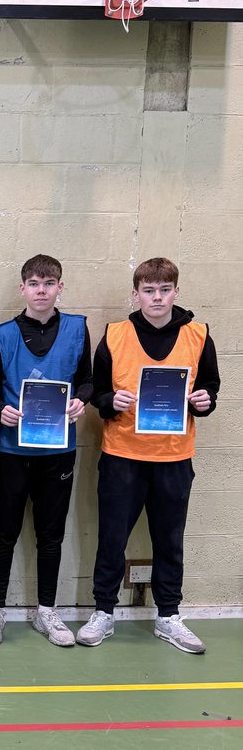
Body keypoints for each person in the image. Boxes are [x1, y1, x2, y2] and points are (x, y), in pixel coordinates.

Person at [77, 257, 219, 654]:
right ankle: (103, 611)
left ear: (176, 292)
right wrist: (111, 400)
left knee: (170, 540)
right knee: (112, 538)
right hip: (122, 455)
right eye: (149, 290)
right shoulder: (116, 334)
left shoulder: (198, 335)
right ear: (136, 294)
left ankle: (168, 616)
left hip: (174, 458)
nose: (157, 298)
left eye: (164, 290)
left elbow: (210, 388)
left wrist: (204, 402)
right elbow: (97, 392)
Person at [0, 253, 92, 648]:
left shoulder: (77, 328)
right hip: (10, 450)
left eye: (48, 283)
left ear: (60, 286)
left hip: (57, 451)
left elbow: (88, 380)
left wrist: (80, 400)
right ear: (22, 288)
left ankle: (46, 610)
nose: (41, 290)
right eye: (34, 283)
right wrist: (0, 410)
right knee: (3, 532)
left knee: (51, 534)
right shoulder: (0, 335)